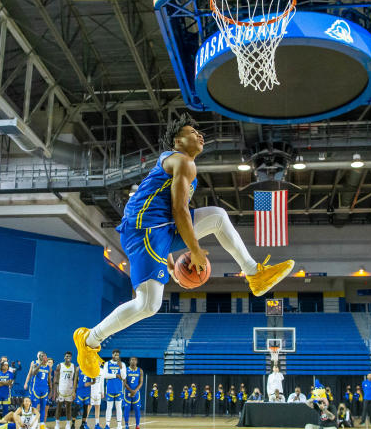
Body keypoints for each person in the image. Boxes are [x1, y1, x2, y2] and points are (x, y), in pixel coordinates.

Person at [72, 115, 295, 379]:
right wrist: (196, 251)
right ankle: (89, 340)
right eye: (193, 131)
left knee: (217, 217)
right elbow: (179, 211)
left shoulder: (186, 168)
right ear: (178, 141)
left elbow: (171, 212)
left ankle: (254, 274)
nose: (200, 135)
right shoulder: (180, 160)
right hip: (143, 229)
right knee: (148, 304)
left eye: (200, 132)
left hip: (160, 229)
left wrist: (168, 255)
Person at [24, 352, 52, 429]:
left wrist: (50, 390)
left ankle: (41, 425)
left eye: (44, 356)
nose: (43, 357)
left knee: (43, 407)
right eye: (41, 356)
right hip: (35, 389)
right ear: (39, 356)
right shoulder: (35, 364)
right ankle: (32, 426)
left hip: (44, 389)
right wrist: (26, 383)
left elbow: (49, 379)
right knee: (34, 408)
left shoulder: (48, 367)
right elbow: (32, 373)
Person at [101, 350, 126, 429]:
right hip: (110, 389)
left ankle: (119, 426)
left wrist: (121, 368)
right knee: (109, 407)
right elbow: (104, 375)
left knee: (119, 407)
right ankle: (107, 426)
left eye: (118, 355)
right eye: (115, 355)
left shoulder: (122, 364)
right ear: (112, 355)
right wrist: (115, 375)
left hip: (119, 389)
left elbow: (124, 376)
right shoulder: (107, 364)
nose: (116, 356)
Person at [52, 351, 77, 429]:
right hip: (61, 389)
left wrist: (74, 391)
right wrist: (55, 391)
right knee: (58, 407)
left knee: (69, 408)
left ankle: (68, 424)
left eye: (69, 356)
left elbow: (75, 379)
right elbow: (55, 379)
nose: (68, 357)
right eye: (66, 356)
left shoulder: (73, 366)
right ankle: (57, 424)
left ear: (71, 357)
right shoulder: (60, 365)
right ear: (64, 357)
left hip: (69, 389)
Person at [122, 356, 144, 429]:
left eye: (134, 360)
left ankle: (137, 426)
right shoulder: (126, 370)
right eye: (132, 360)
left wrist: (135, 391)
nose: (133, 361)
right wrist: (131, 390)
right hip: (127, 392)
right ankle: (126, 426)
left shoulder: (140, 370)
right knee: (126, 409)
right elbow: (124, 382)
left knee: (137, 410)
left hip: (136, 393)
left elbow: (141, 382)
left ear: (137, 361)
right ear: (129, 361)